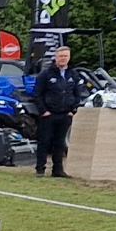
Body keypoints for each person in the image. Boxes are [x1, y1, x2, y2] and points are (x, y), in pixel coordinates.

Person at [33, 44, 80, 179]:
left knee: (60, 143)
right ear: (56, 57)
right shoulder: (46, 74)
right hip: (49, 114)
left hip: (65, 114)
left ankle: (58, 170)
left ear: (69, 58)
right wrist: (43, 111)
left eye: (66, 56)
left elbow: (78, 93)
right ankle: (40, 168)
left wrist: (73, 109)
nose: (63, 59)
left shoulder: (73, 74)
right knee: (44, 141)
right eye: (61, 56)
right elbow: (37, 94)